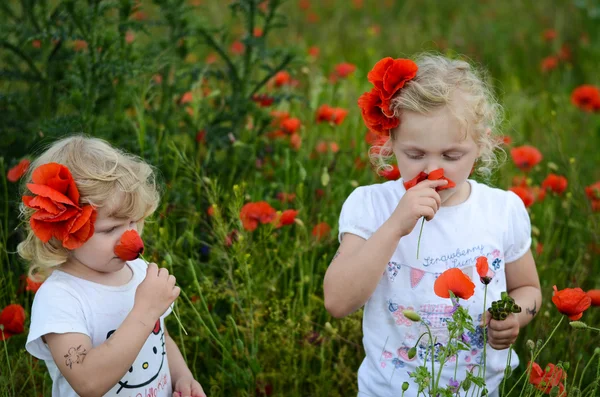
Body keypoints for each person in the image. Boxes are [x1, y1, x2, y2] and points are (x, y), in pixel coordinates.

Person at [323, 54, 542, 396]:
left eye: (452, 156)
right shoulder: (371, 206)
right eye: (415, 154)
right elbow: (337, 301)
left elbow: (528, 290)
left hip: (478, 390)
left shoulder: (502, 210)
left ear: (480, 145)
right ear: (391, 144)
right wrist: (396, 224)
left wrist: (514, 317)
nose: (433, 170)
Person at [20, 136, 206, 397]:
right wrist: (145, 309)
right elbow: (87, 382)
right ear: (65, 235)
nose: (132, 237)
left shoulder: (139, 272)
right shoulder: (60, 298)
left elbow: (159, 336)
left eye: (133, 222)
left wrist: (182, 377)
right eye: (111, 229)